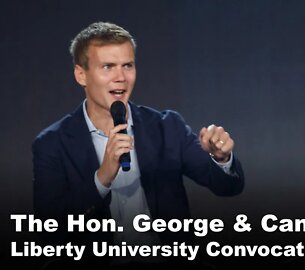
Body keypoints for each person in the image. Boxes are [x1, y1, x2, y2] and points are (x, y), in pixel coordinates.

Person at [32, 21, 244, 269]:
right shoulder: (52, 143)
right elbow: (50, 232)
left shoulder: (167, 127)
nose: (120, 77)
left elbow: (228, 187)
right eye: (108, 67)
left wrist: (221, 158)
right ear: (81, 75)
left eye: (127, 66)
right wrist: (101, 179)